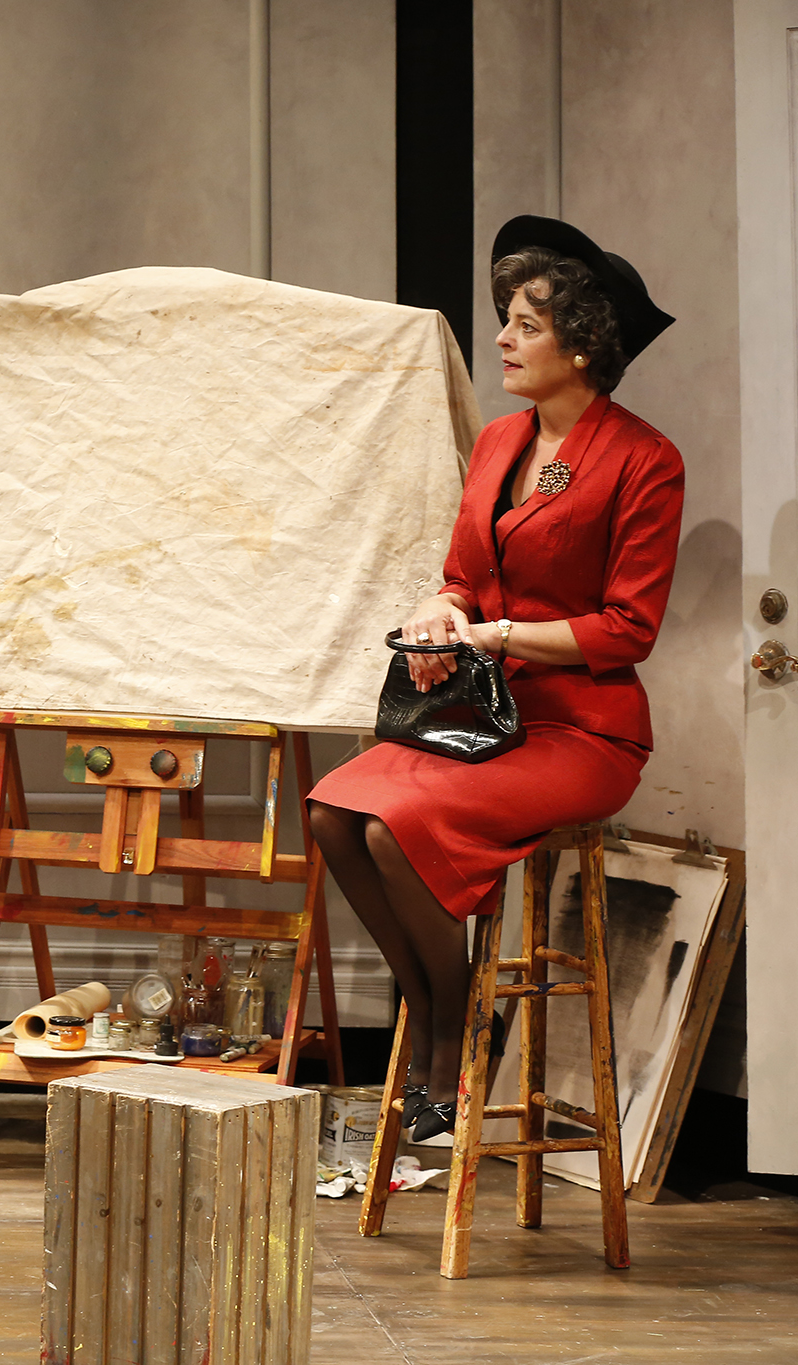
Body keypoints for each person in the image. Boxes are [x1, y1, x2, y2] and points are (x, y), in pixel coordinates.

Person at [306, 215, 682, 1142]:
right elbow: (465, 574)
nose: (504, 339)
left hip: (582, 730)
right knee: (333, 812)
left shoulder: (644, 460)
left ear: (583, 345)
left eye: (527, 324)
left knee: (396, 827)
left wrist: (499, 632)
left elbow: (629, 628)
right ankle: (445, 1010)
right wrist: (441, 607)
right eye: (506, 319)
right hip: (482, 717)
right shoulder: (499, 442)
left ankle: (447, 1043)